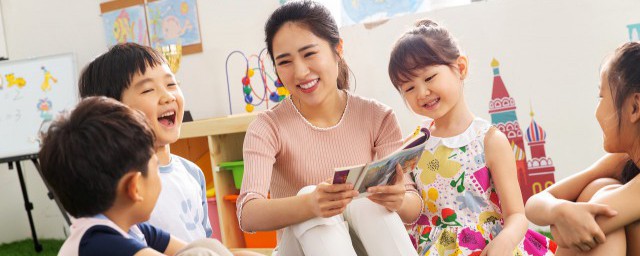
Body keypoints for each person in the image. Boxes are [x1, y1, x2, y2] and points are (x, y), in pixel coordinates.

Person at [236, 1, 418, 255]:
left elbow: (412, 207)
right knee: (312, 199)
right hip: (298, 249)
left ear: (338, 49)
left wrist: (398, 198)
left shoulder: (378, 116)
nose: (300, 72)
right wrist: (310, 204)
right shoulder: (268, 127)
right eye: (285, 61)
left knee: (367, 201)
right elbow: (247, 214)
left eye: (310, 54)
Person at [387, 19, 556, 255]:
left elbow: (517, 214)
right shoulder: (414, 144)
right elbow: (412, 210)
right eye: (409, 88)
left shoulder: (489, 140)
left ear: (461, 68)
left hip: (491, 247)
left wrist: (504, 243)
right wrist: (396, 201)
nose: (422, 93)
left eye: (428, 78)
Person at [39, 97, 256, 256]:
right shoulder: (99, 244)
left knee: (209, 248)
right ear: (135, 187)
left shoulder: (131, 228)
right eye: (155, 166)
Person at [78, 43, 211, 242]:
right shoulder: (120, 188)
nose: (167, 96)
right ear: (113, 111)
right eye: (148, 90)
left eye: (171, 84)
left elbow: (206, 239)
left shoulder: (192, 173)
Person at [525, 42, 640, 256]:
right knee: (599, 185)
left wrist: (562, 215)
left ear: (634, 107)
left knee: (603, 200)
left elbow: (564, 233)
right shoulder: (622, 161)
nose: (597, 111)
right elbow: (535, 203)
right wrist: (557, 209)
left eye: (602, 97)